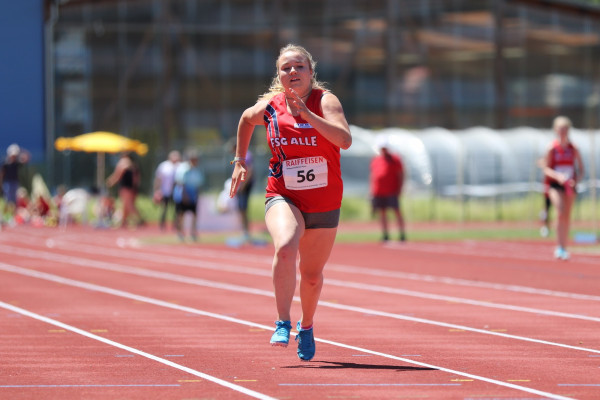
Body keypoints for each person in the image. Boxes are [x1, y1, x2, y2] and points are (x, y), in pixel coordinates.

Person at [229, 44, 352, 361]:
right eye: (286, 68)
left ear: (311, 72)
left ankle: (306, 326)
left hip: (324, 200)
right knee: (285, 246)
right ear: (278, 75)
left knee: (311, 276)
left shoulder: (324, 101)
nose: (293, 72)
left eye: (299, 66)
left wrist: (308, 115)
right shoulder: (271, 106)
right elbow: (245, 119)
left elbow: (344, 140)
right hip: (283, 193)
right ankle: (282, 321)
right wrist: (239, 160)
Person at [542, 116, 584, 260]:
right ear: (555, 130)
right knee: (560, 211)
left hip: (570, 185)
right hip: (555, 184)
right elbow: (546, 169)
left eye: (565, 129)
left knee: (567, 215)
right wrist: (558, 176)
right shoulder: (552, 148)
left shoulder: (574, 148)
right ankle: (559, 246)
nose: (563, 132)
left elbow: (581, 169)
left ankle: (564, 246)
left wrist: (575, 180)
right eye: (560, 129)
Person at [369, 135, 406, 242]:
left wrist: (400, 188)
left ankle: (402, 234)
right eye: (382, 148)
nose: (383, 150)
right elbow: (373, 176)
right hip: (379, 191)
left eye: (385, 148)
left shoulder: (395, 159)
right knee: (382, 213)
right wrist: (372, 191)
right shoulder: (376, 160)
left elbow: (400, 174)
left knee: (397, 212)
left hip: (392, 191)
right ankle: (385, 234)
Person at [106, 152, 145, 228]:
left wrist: (110, 182)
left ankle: (140, 219)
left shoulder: (123, 162)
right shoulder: (133, 164)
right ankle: (123, 222)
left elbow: (118, 175)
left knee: (128, 205)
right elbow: (137, 178)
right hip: (132, 187)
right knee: (125, 206)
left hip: (125, 187)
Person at [173, 149, 205, 242]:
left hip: (193, 195)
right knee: (180, 214)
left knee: (194, 214)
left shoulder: (197, 170)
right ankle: (180, 233)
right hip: (182, 195)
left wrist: (197, 195)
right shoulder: (183, 168)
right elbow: (181, 183)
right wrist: (184, 195)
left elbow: (198, 184)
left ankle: (193, 233)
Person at [1, 144, 30, 221]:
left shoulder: (17, 163)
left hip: (15, 183)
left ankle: (13, 217)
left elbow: (27, 158)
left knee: (14, 201)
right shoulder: (5, 163)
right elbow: (2, 174)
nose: (13, 157)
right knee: (7, 200)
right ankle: (3, 216)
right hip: (7, 183)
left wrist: (20, 150)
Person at [154, 150, 181, 231]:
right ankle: (162, 225)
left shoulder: (180, 166)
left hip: (176, 192)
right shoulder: (164, 166)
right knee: (164, 208)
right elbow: (158, 179)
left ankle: (176, 225)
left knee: (176, 209)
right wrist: (157, 190)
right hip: (165, 191)